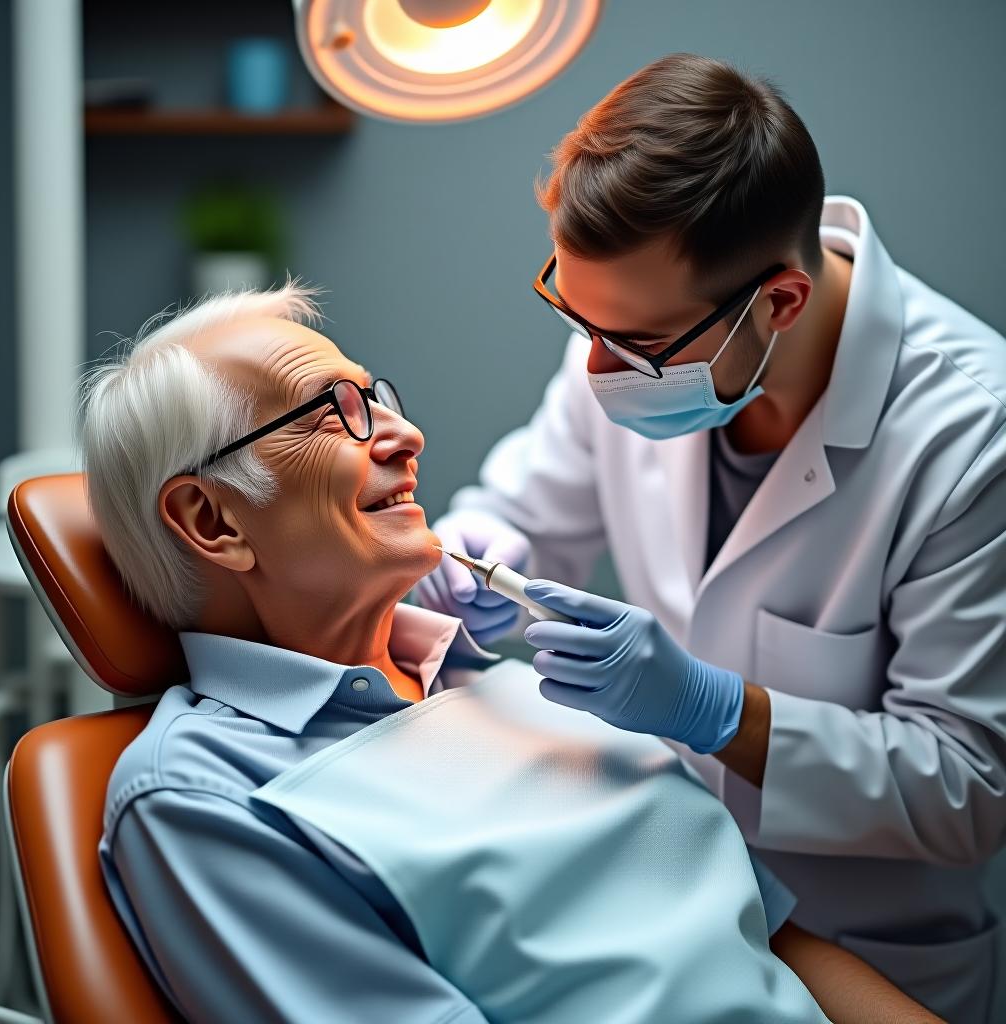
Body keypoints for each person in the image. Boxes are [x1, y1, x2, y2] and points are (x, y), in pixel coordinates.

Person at [82, 284, 937, 1023]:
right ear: (214, 522)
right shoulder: (201, 797)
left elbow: (777, 944)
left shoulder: (513, 686)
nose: (405, 434)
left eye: (377, 397)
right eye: (330, 414)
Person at [418, 53, 1006, 1022]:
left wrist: (718, 711)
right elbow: (524, 513)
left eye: (635, 344)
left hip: (869, 953)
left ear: (777, 301)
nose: (597, 368)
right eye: (578, 319)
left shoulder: (972, 435)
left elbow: (972, 787)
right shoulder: (632, 336)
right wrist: (477, 547)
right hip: (668, 913)